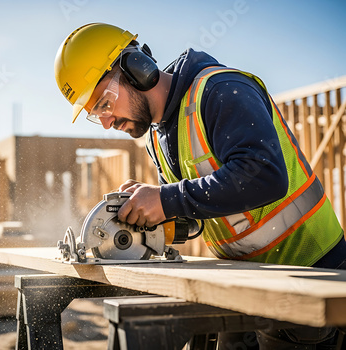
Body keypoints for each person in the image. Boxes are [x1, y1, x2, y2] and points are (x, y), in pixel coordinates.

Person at [54, 22, 346, 349]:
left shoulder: (221, 90)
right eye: (96, 114)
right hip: (245, 281)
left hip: (312, 275)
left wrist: (167, 199)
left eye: (104, 104)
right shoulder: (158, 135)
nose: (107, 122)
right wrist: (150, 214)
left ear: (138, 69)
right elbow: (192, 219)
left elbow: (265, 175)